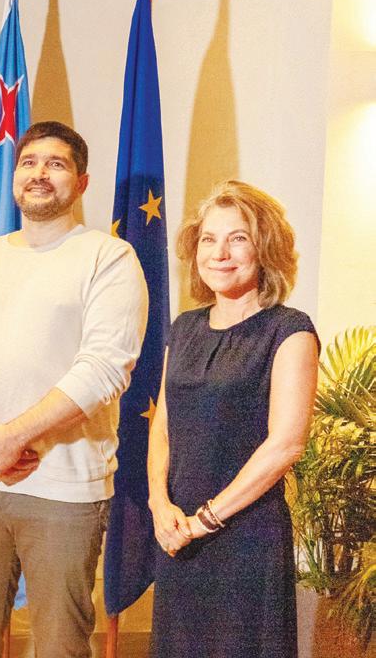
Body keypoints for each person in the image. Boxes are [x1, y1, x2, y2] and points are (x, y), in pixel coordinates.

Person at [0, 121, 148, 658]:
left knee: (59, 645)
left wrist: (13, 437)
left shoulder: (109, 258)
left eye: (56, 163)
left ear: (81, 182)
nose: (39, 173)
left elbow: (103, 370)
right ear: (14, 177)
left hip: (64, 489)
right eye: (29, 162)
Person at [147, 181, 318, 658]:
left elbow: (285, 445)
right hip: (177, 533)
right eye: (209, 239)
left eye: (237, 238)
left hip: (246, 540)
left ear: (265, 248)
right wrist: (159, 504)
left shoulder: (290, 330)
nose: (219, 253)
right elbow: (163, 426)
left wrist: (206, 519)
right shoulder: (184, 328)